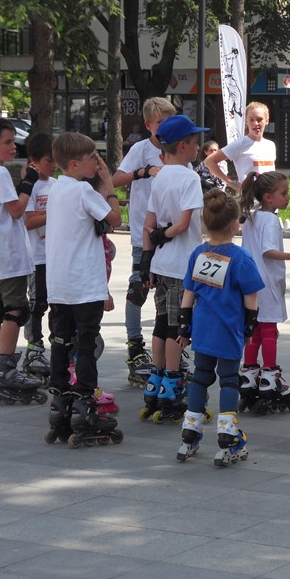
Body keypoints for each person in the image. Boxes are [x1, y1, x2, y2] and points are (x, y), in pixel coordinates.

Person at [176, 189, 264, 466]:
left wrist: (183, 325)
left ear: (205, 222)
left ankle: (190, 431)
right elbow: (251, 297)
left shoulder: (198, 253)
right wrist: (249, 327)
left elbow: (188, 293)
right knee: (228, 380)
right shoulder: (241, 258)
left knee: (200, 377)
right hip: (228, 329)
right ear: (235, 223)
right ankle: (227, 436)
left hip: (202, 328)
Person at [44, 134, 123, 447]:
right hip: (84, 285)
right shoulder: (82, 191)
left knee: (61, 341)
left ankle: (60, 404)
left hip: (59, 284)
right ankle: (84, 406)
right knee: (86, 344)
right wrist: (109, 186)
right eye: (93, 158)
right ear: (75, 164)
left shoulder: (56, 189)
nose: (98, 163)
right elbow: (114, 219)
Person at [138, 115, 208, 424]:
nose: (198, 147)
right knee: (177, 327)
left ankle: (155, 381)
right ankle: (172, 385)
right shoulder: (189, 177)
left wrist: (147, 260)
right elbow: (182, 224)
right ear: (182, 146)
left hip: (161, 263)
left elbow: (147, 224)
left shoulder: (160, 176)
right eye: (194, 142)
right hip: (182, 265)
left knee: (160, 323)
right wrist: (163, 235)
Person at [0, 117, 42, 404]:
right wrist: (28, 183)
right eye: (8, 142)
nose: (14, 146)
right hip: (8, 254)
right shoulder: (0, 173)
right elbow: (16, 211)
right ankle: (6, 368)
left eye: (14, 141)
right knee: (16, 310)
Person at [112, 97, 176, 387]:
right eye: (160, 122)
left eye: (169, 121)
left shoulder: (176, 147)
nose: (165, 127)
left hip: (171, 232)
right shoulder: (141, 149)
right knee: (138, 288)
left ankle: (171, 346)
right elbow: (115, 180)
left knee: (169, 290)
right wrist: (142, 172)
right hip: (144, 233)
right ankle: (135, 349)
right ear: (149, 124)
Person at [237, 171, 290, 414]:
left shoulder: (251, 217)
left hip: (250, 283)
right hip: (266, 283)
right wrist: (289, 256)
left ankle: (249, 372)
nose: (288, 197)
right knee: (269, 330)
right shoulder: (271, 221)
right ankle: (270, 373)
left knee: (254, 329)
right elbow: (268, 251)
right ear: (268, 197)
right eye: (284, 193)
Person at [21, 133, 57, 386]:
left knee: (56, 303)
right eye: (48, 160)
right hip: (37, 257)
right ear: (34, 160)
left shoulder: (56, 184)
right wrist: (54, 212)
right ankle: (34, 348)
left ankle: (59, 344)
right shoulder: (30, 186)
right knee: (37, 302)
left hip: (56, 256)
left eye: (56, 160)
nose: (54, 165)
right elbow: (28, 221)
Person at [204, 101, 276, 189]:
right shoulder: (240, 144)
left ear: (267, 120)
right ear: (246, 121)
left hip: (271, 195)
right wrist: (231, 183)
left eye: (259, 119)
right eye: (251, 120)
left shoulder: (271, 145)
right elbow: (209, 161)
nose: (256, 123)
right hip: (250, 196)